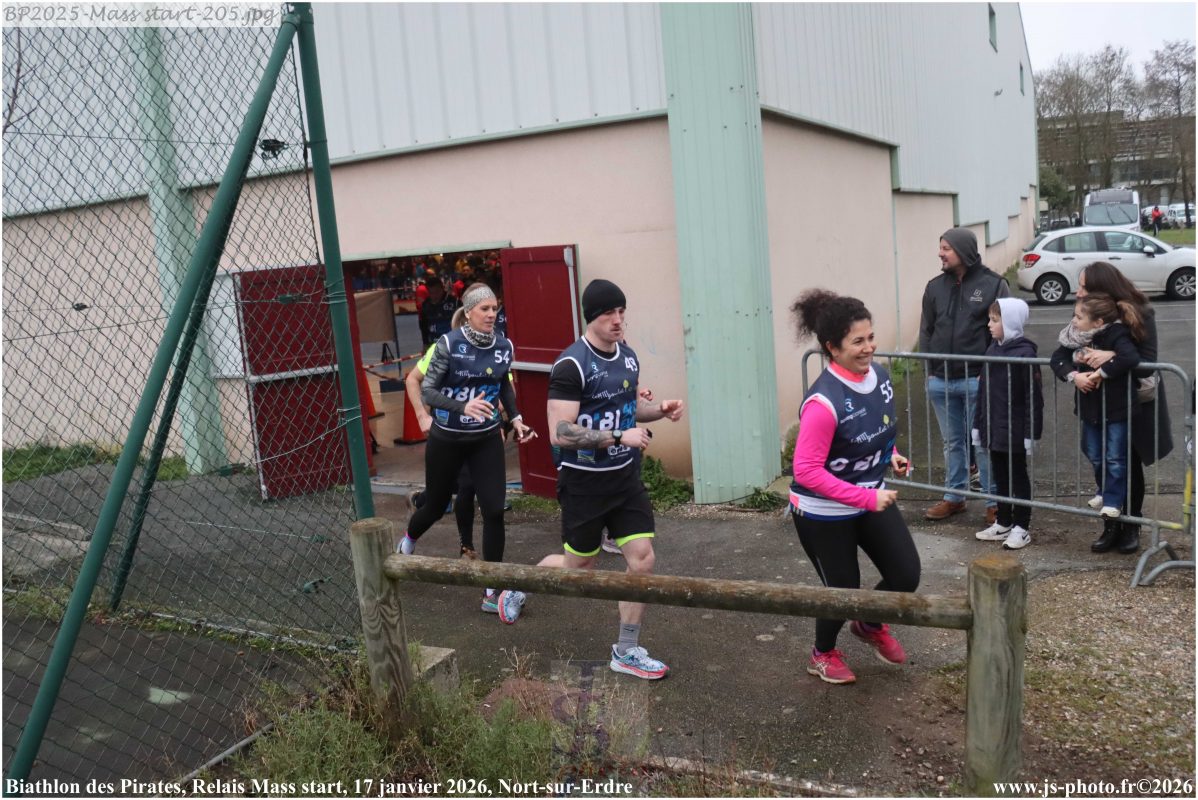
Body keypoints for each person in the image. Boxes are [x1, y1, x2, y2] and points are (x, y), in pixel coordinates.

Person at [526, 278, 684, 678]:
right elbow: (560, 433)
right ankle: (519, 582)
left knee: (643, 560)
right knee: (578, 568)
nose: (618, 320)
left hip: (624, 480)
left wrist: (660, 410)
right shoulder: (572, 365)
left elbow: (630, 409)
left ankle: (626, 650)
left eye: (621, 312)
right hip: (584, 483)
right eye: (609, 313)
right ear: (591, 317)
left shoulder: (627, 357)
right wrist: (617, 436)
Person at [789, 289, 919, 685]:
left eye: (871, 337)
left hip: (868, 496)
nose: (869, 347)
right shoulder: (822, 403)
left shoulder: (880, 376)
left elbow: (875, 429)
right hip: (823, 511)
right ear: (832, 348)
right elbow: (806, 471)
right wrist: (865, 496)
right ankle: (822, 653)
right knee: (842, 590)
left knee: (906, 574)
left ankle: (869, 623)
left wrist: (891, 454)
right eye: (858, 341)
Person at [397, 283, 537, 620]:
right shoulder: (448, 344)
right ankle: (407, 542)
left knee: (494, 510)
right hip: (447, 439)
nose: (491, 315)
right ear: (469, 311)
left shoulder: (503, 346)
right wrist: (460, 407)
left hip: (485, 438)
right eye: (485, 309)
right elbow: (427, 390)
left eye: (495, 309)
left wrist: (516, 418)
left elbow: (502, 384)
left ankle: (491, 590)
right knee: (434, 506)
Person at [1073, 262, 1173, 553]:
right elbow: (1070, 348)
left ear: (1102, 288)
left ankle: (1131, 525)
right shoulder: (1088, 312)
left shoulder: (1140, 311)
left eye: (1083, 286)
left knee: (1128, 463)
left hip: (1132, 404)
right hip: (1097, 402)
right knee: (1102, 461)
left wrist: (1112, 356)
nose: (1078, 292)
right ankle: (1111, 525)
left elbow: (1147, 363)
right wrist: (1076, 366)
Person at [919, 227, 1008, 524]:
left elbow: (1004, 334)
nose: (940, 253)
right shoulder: (934, 287)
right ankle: (954, 497)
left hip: (977, 380)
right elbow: (926, 331)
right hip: (940, 380)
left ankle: (994, 502)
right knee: (952, 443)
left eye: (946, 248)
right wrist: (929, 372)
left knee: (983, 443)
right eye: (940, 247)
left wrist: (989, 372)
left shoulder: (994, 284)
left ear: (963, 251)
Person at [1050, 293, 1143, 553]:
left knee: (1115, 457)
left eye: (1079, 317)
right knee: (1093, 452)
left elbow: (1130, 357)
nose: (1074, 320)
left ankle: (1113, 503)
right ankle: (1105, 491)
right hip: (1090, 410)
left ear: (1098, 322)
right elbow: (1057, 359)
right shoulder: (1075, 338)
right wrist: (1074, 376)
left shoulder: (1116, 334)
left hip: (1116, 410)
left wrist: (1102, 370)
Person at [405, 307, 490, 560]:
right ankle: (415, 519)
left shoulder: (491, 350)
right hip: (446, 433)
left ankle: (466, 548)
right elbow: (412, 379)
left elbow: (505, 388)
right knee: (439, 501)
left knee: (467, 485)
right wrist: (422, 416)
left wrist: (499, 415)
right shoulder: (442, 348)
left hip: (476, 433)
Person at [971, 299, 1044, 550]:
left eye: (995, 320)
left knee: (1018, 476)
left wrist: (1031, 433)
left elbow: (1033, 397)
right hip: (993, 427)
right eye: (990, 319)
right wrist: (978, 425)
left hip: (1014, 428)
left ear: (1010, 322)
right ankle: (1003, 521)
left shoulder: (1025, 354)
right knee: (1000, 475)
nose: (989, 325)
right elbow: (983, 392)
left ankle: (1022, 527)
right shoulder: (992, 350)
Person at [418, 275, 459, 347]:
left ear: (442, 289)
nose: (435, 295)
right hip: (434, 343)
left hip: (453, 342)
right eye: (431, 293)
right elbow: (423, 326)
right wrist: (425, 343)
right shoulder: (425, 305)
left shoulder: (455, 302)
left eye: (437, 292)